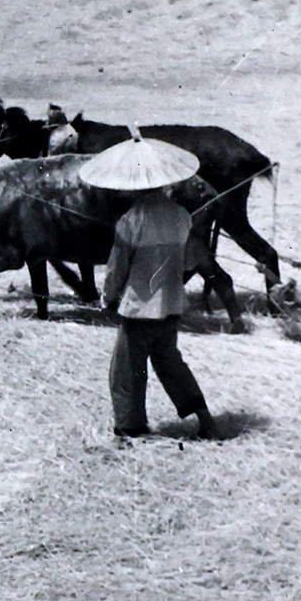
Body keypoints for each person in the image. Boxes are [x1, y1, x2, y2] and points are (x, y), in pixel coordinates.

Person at [80, 135, 220, 442]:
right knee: (171, 364)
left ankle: (130, 428)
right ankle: (206, 419)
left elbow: (117, 269)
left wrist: (108, 298)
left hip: (138, 309)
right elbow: (185, 265)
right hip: (171, 305)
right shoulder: (182, 215)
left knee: (126, 371)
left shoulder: (131, 220)